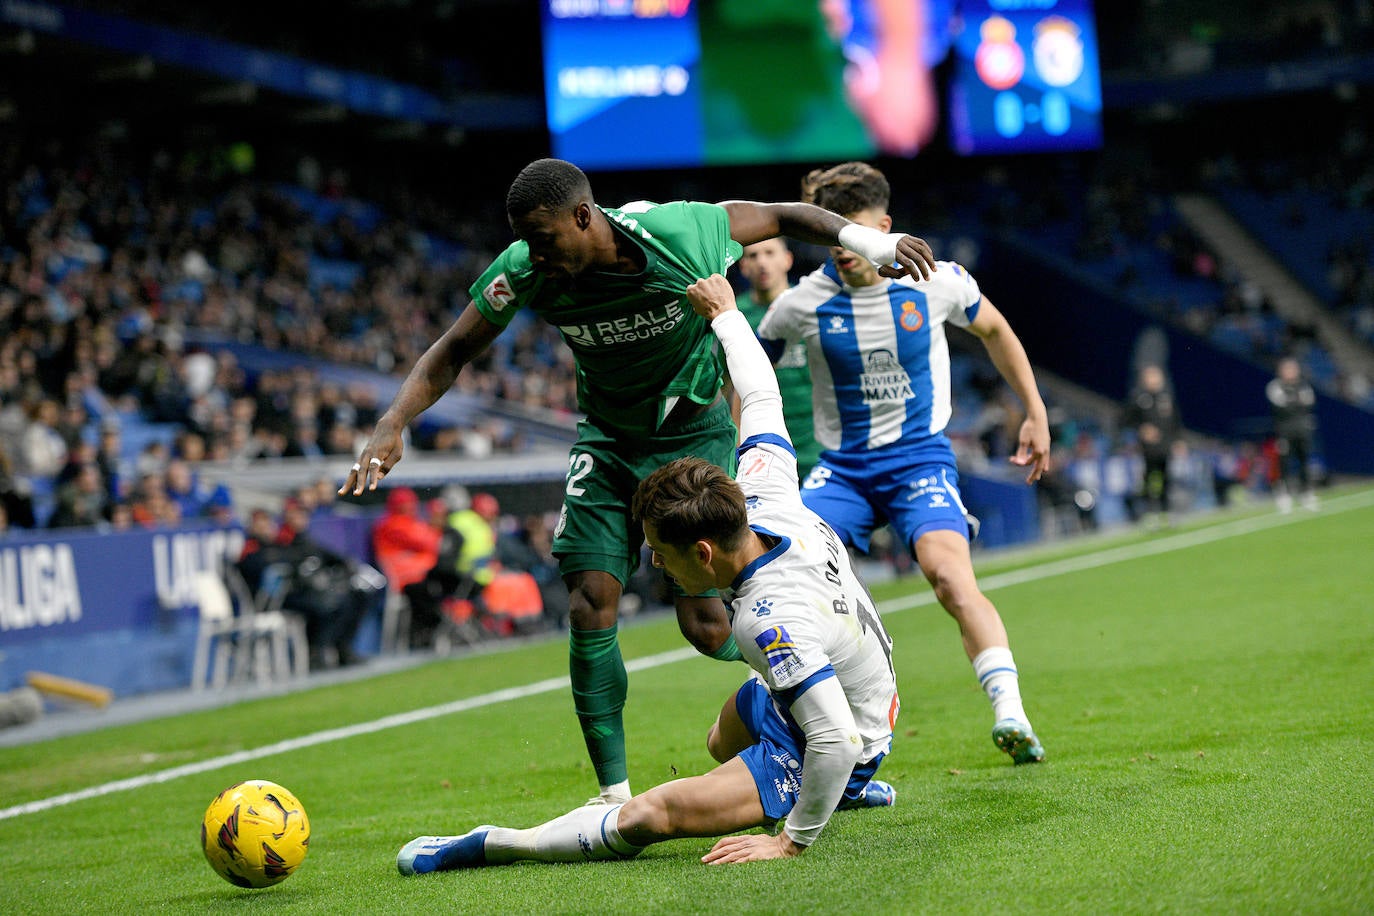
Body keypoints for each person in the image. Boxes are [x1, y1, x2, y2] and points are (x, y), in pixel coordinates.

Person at [340, 157, 934, 804]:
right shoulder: (522, 271)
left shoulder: (680, 234)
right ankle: (612, 792)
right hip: (608, 441)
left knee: (709, 629)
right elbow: (453, 349)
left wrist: (875, 244)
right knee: (590, 600)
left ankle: (806, 685)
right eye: (526, 242)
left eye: (545, 238)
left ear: (584, 216)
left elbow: (786, 216)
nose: (534, 254)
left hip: (693, 433)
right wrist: (393, 421)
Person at [396, 273, 898, 875]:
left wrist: (790, 840)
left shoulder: (768, 621)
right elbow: (761, 395)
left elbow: (836, 737)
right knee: (721, 740)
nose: (655, 561)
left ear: (704, 553)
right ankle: (836, 787)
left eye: (662, 549)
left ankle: (496, 843)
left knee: (646, 816)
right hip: (850, 689)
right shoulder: (766, 490)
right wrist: (725, 315)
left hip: (846, 734)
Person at [756, 162, 1049, 764]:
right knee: (782, 574)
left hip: (919, 460)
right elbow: (748, 371)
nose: (844, 250)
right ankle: (797, 732)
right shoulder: (798, 305)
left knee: (948, 576)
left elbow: (995, 330)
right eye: (832, 235)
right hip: (842, 470)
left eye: (855, 233)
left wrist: (1034, 410)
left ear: (884, 228)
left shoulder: (938, 281)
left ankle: (1011, 712)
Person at [734, 239, 821, 477]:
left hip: (818, 446)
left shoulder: (813, 308)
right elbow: (729, 387)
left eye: (770, 253)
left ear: (787, 260)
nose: (762, 262)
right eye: (753, 256)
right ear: (743, 266)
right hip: (762, 447)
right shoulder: (733, 317)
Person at [1123, 364, 1180, 527]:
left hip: (1165, 446)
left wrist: (1178, 440)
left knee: (1167, 479)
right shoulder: (1138, 399)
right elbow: (1125, 420)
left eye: (1157, 376)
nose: (1155, 380)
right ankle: (1149, 513)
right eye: (1151, 377)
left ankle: (1166, 512)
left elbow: (1176, 421)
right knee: (1148, 480)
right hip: (1147, 450)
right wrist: (1141, 429)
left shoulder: (1166, 397)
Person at [1265, 356, 1319, 512]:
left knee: (1305, 461)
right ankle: (1284, 496)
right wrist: (1296, 402)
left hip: (1302, 430)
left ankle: (1306, 493)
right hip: (1284, 431)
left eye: (1293, 368)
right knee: (1284, 464)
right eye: (1287, 369)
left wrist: (1292, 402)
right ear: (1281, 371)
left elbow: (1309, 404)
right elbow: (1281, 407)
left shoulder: (1303, 386)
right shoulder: (1275, 386)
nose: (1291, 372)